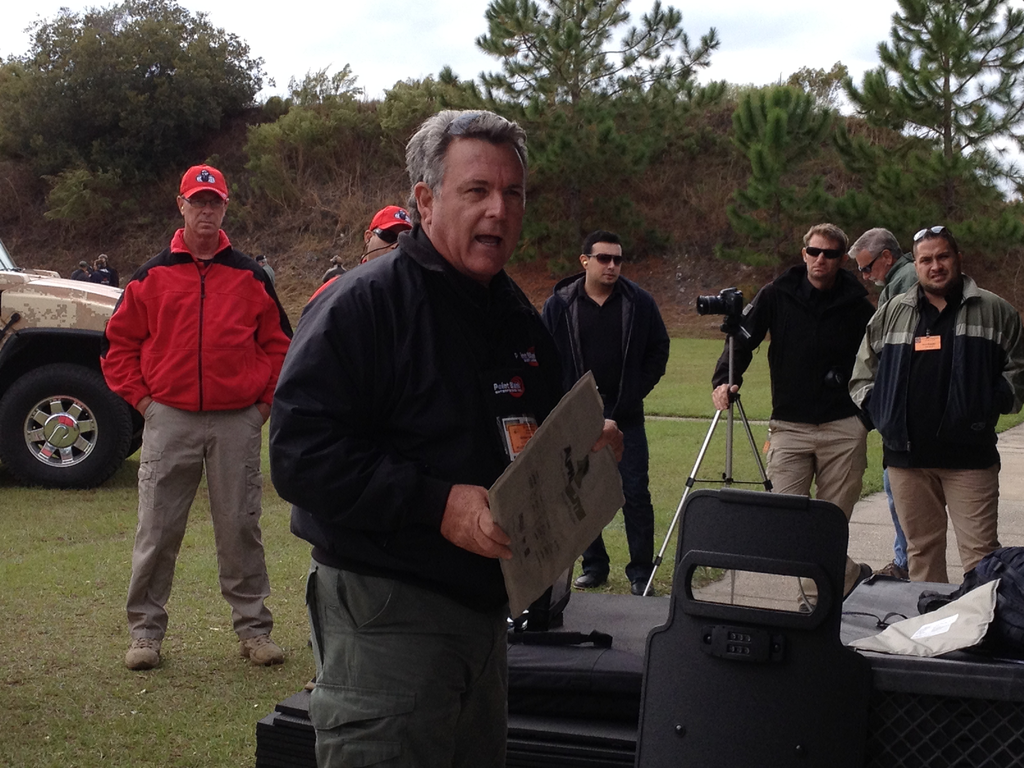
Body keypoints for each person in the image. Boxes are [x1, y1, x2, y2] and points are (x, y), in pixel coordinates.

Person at [270, 110, 622, 768]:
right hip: (386, 616)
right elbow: (299, 456)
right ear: (426, 201)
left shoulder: (513, 311)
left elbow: (532, 437)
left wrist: (583, 446)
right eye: (477, 191)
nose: (499, 209)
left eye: (513, 193)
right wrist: (437, 504)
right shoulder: (363, 305)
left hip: (485, 617)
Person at [101, 163, 293, 671]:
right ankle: (145, 633)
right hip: (170, 419)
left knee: (240, 527)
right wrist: (145, 405)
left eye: (215, 203)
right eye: (197, 202)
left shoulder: (251, 277)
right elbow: (117, 346)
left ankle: (254, 631)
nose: (206, 211)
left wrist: (261, 409)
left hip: (237, 422)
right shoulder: (151, 277)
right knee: (157, 529)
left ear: (224, 208)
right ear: (181, 205)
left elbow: (281, 348)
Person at [711, 223, 875, 603]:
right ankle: (850, 575)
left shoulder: (857, 305)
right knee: (784, 524)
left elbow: (881, 359)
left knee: (830, 525)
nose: (820, 259)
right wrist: (725, 380)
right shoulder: (775, 294)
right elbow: (742, 339)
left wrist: (867, 416)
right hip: (789, 427)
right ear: (803, 254)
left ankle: (813, 604)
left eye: (830, 254)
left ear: (842, 259)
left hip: (843, 428)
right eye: (814, 252)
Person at [850, 225, 1024, 582]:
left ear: (958, 259)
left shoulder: (995, 311)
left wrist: (990, 405)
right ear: (915, 265)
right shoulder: (892, 311)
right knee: (921, 555)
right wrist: (880, 413)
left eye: (943, 256)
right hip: (907, 461)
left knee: (982, 556)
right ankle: (930, 634)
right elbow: (863, 372)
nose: (935, 266)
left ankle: (983, 635)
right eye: (925, 260)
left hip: (969, 460)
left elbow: (1018, 369)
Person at [542, 230, 669, 596]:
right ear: (585, 261)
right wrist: (564, 402)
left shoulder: (639, 303)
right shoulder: (560, 305)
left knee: (635, 493)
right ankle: (594, 566)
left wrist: (634, 392)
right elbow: (546, 358)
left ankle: (641, 570)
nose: (612, 265)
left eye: (617, 259)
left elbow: (659, 350)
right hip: (577, 416)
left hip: (626, 415)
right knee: (581, 493)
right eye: (603, 258)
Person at [851, 228, 918, 581]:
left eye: (867, 268)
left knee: (899, 490)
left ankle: (905, 563)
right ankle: (905, 560)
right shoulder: (901, 279)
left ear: (887, 258)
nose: (866, 276)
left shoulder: (905, 281)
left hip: (904, 411)